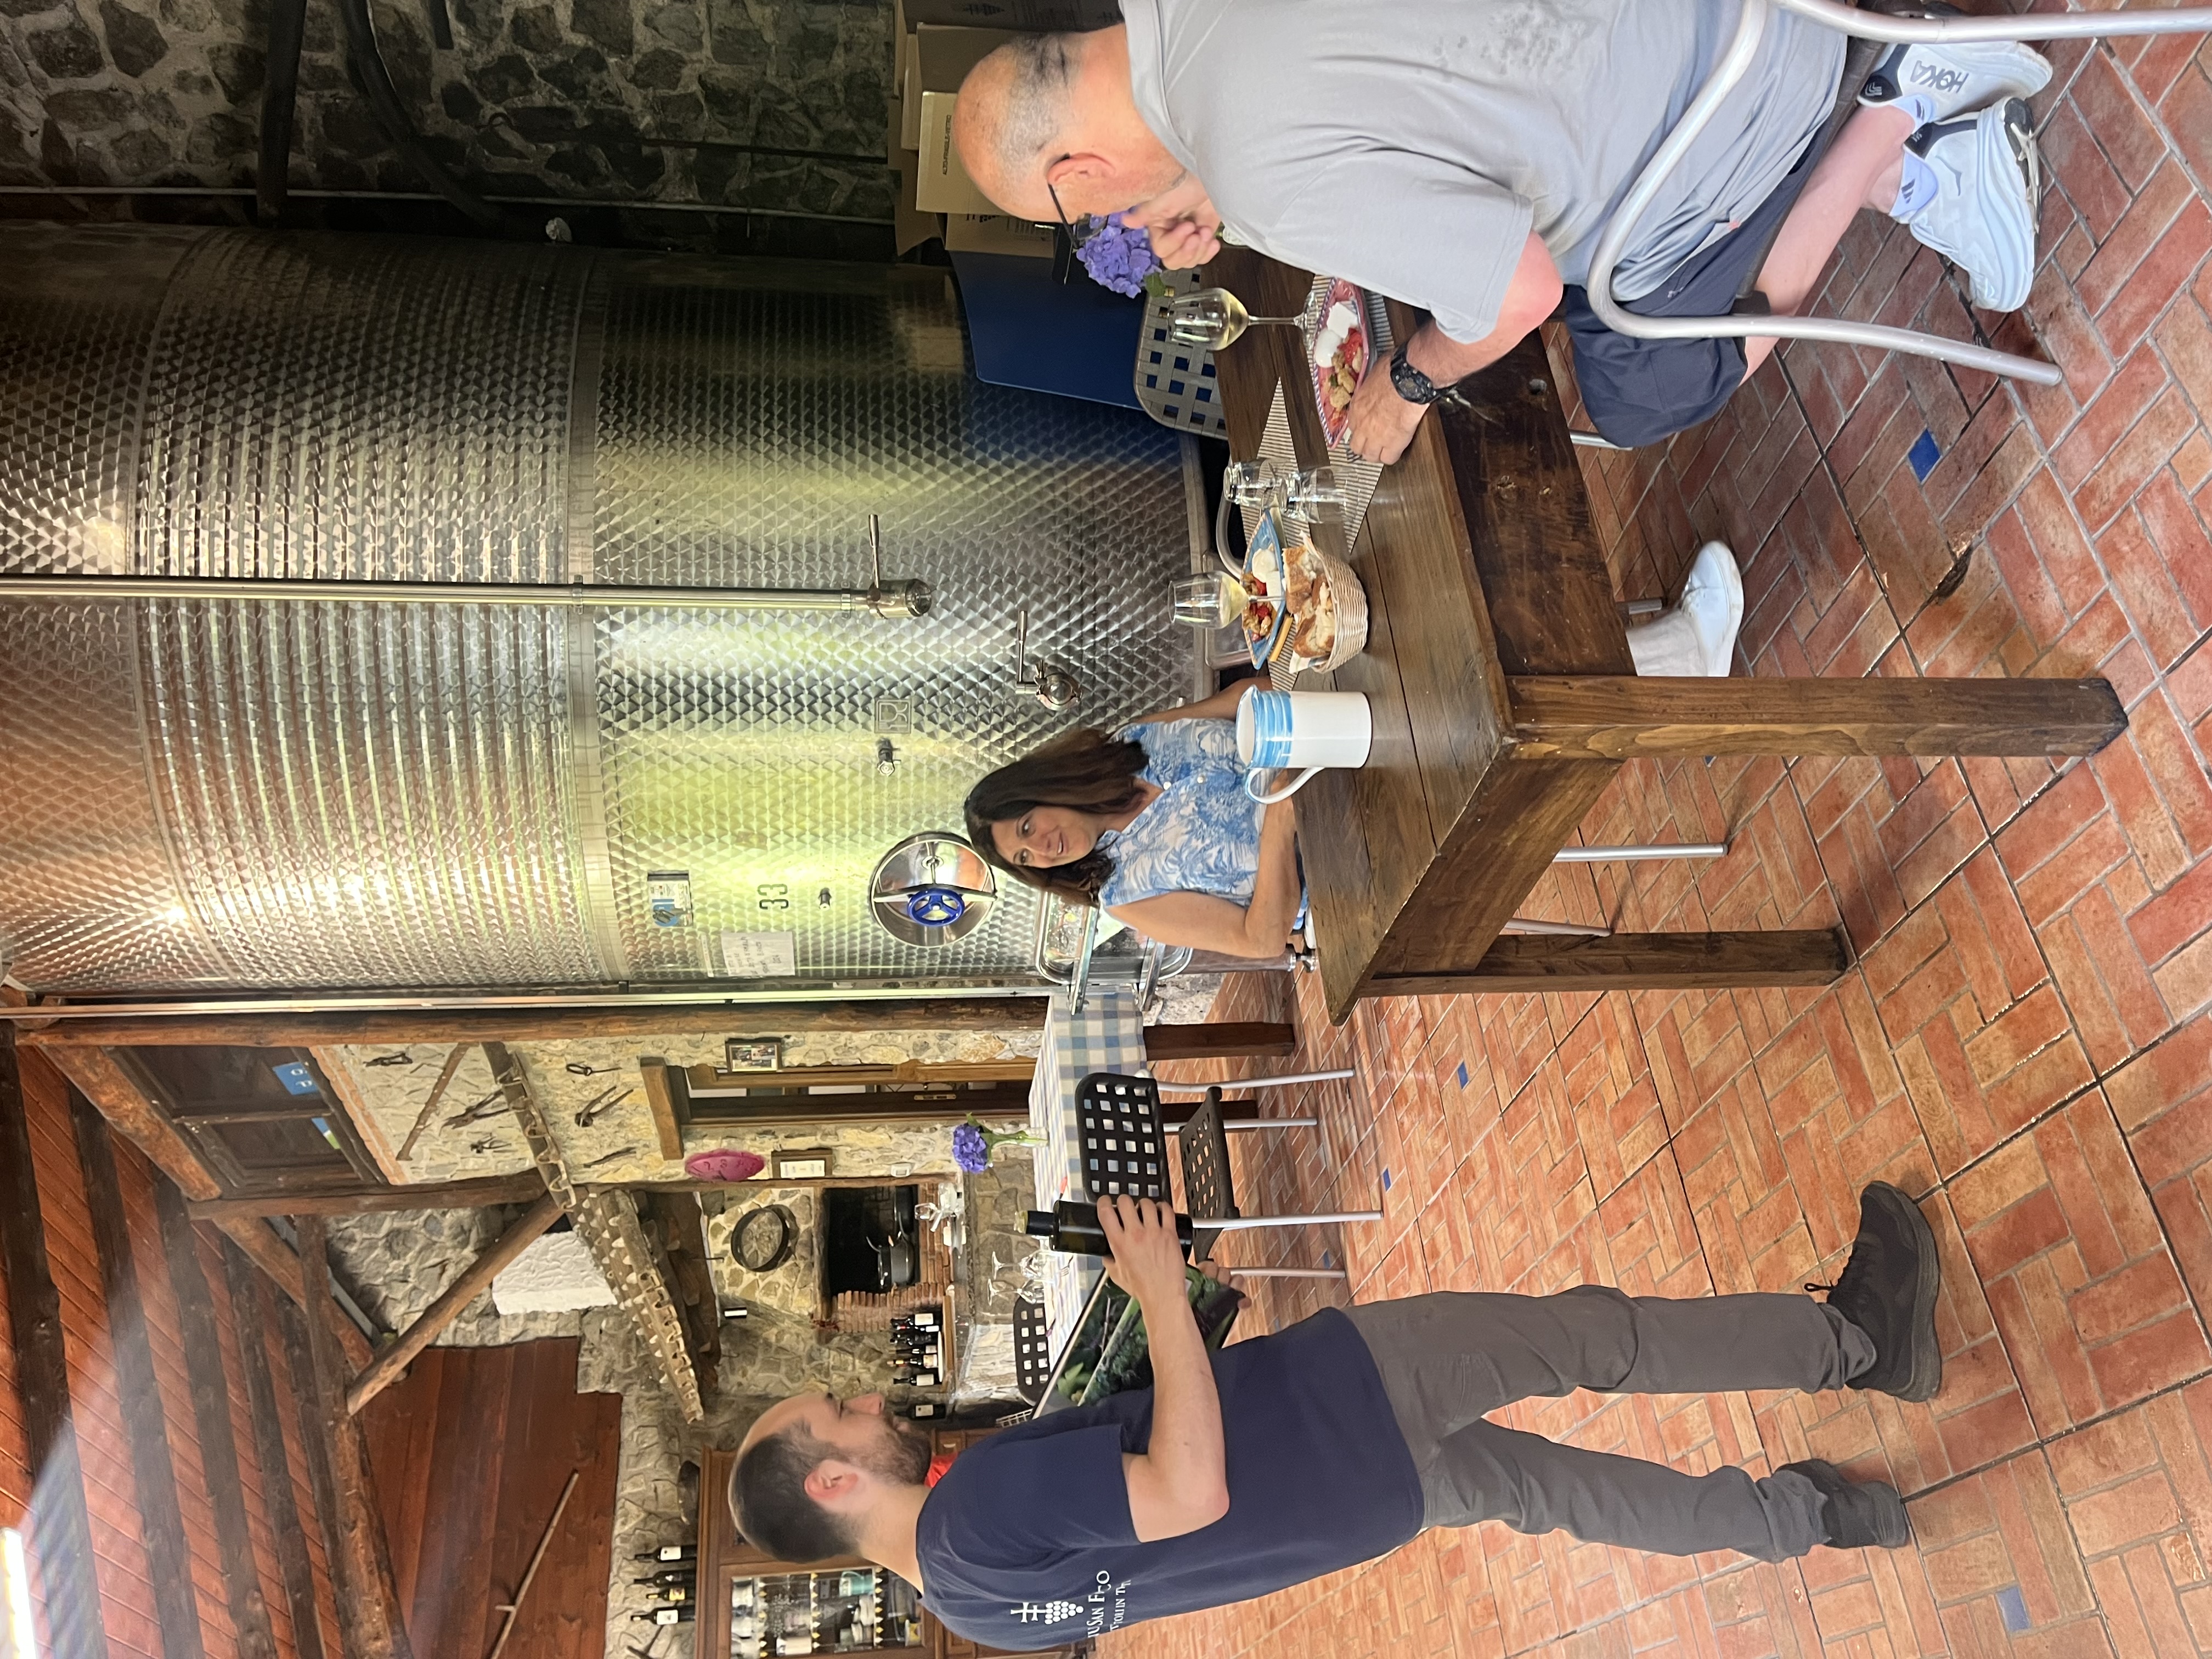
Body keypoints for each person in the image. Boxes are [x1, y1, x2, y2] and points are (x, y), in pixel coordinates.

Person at [727, 1181, 1942, 1645]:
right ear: (832, 1482)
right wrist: (1155, 1294)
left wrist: (1132, 1381)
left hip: (1351, 1507)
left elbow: (1150, 1529)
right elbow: (1186, 1492)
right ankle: (1859, 1341)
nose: (868, 1398)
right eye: (840, 1410)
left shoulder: (970, 1609)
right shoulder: (970, 1515)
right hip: (1342, 1404)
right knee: (1590, 1338)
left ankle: (1807, 1520)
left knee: (1566, 1498)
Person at [950, 0, 2051, 453]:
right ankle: (1912, 173)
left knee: (1632, 388)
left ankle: (1889, 112)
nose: (1106, 218)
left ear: (1078, 167)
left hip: (1739, 85)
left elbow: (1515, 295)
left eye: (1076, 207)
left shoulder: (1260, 169)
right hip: (1719, 14)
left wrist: (1412, 383)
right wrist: (1218, 182)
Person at [959, 539, 1748, 957]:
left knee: (1420, 634)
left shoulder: (1131, 747)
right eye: (1028, 860)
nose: (1044, 848)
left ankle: (1660, 659)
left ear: (1041, 786)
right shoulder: (1128, 895)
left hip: (1330, 735)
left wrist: (1284, 647)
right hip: (1354, 847)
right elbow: (1261, 941)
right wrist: (1280, 816)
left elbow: (1235, 701)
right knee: (1439, 700)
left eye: (1026, 827)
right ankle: (1675, 664)